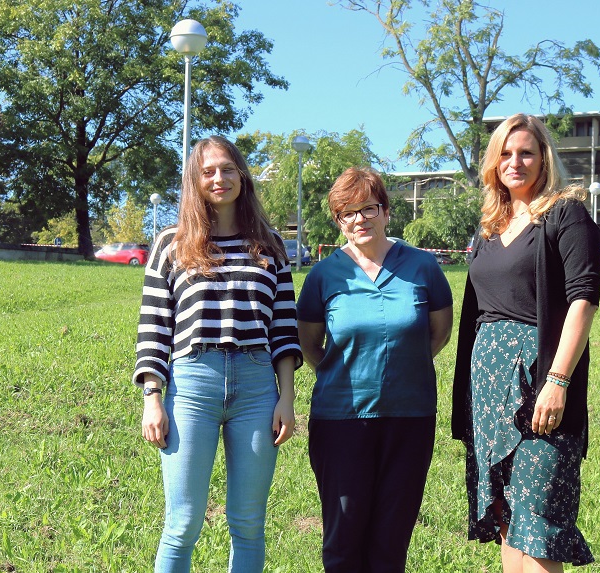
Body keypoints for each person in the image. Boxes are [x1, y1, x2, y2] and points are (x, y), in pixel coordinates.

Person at [133, 135, 302, 572]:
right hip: (192, 385)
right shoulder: (172, 242)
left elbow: (285, 329)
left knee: (248, 523)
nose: (219, 178)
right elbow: (154, 326)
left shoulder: (270, 245)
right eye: (208, 171)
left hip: (257, 388)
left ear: (242, 176)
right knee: (182, 524)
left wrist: (286, 398)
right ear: (195, 180)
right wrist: (153, 398)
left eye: (227, 169)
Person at [451, 114, 600, 573]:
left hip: (539, 380)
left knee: (539, 526)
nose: (514, 162)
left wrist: (557, 381)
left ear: (544, 159)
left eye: (526, 153)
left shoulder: (565, 214)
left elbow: (584, 300)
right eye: (505, 153)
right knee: (506, 516)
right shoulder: (489, 227)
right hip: (488, 387)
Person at [296, 167, 454, 572]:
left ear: (386, 212)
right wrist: (345, 370)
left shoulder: (423, 267)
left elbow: (438, 333)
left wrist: (401, 366)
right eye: (347, 213)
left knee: (391, 542)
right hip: (340, 420)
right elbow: (309, 343)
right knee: (343, 541)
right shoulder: (323, 275)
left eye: (368, 208)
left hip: (410, 417)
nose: (359, 219)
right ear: (338, 221)